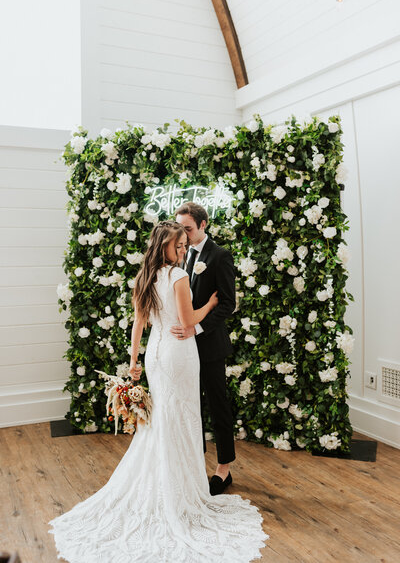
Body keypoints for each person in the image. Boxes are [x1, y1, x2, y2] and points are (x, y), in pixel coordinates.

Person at [48, 220, 268, 562]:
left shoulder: (145, 277)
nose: (183, 251)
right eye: (178, 246)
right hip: (179, 354)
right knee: (181, 416)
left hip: (154, 353)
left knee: (165, 417)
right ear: (164, 246)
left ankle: (167, 482)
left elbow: (139, 322)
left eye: (184, 246)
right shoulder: (178, 277)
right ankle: (180, 491)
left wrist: (133, 361)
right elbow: (188, 321)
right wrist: (209, 305)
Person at [173, 202, 236, 496]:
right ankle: (195, 465)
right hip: (183, 348)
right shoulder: (178, 255)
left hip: (209, 345)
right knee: (189, 406)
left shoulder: (220, 256)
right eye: (180, 228)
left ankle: (223, 469)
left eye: (187, 228)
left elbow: (227, 304)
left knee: (217, 405)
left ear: (203, 224)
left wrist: (196, 328)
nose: (182, 234)